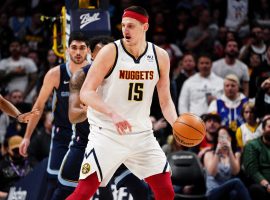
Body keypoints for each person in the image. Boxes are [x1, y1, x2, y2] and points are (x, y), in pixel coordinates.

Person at [67, 6, 178, 200]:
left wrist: (176, 124)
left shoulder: (160, 56)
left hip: (142, 135)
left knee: (166, 191)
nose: (126, 30)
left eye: (131, 26)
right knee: (83, 193)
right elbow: (86, 92)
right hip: (107, 133)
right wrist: (113, 114)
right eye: (124, 26)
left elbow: (166, 100)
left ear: (145, 27)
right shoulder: (110, 52)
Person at [19, 32, 90, 200]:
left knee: (88, 184)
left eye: (82, 48)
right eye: (74, 48)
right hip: (63, 134)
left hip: (86, 135)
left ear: (87, 50)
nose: (78, 52)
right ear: (67, 50)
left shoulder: (94, 71)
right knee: (54, 182)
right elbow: (39, 106)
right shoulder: (55, 74)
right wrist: (27, 137)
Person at [203, 126, 251, 200]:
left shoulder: (235, 155)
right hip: (213, 192)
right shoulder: (209, 154)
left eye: (225, 137)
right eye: (220, 137)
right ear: (217, 139)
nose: (223, 139)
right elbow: (212, 173)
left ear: (230, 138)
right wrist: (217, 152)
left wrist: (230, 150)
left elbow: (235, 172)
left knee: (234, 194)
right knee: (237, 182)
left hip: (228, 191)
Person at [242, 116, 270, 200]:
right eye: (269, 127)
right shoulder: (252, 146)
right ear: (263, 129)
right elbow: (252, 170)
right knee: (256, 189)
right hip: (262, 185)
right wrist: (267, 185)